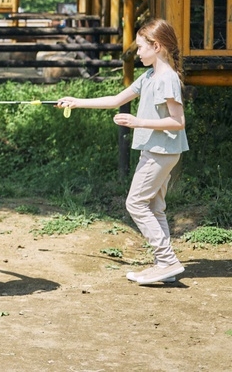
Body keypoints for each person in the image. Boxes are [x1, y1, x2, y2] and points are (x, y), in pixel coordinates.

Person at [58, 18, 188, 285]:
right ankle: (165, 265)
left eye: (141, 47)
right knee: (154, 207)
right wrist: (77, 102)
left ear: (157, 46)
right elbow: (117, 100)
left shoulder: (167, 79)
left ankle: (167, 261)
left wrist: (138, 122)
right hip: (155, 150)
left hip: (161, 151)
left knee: (135, 203)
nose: (137, 52)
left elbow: (178, 121)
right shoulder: (150, 75)